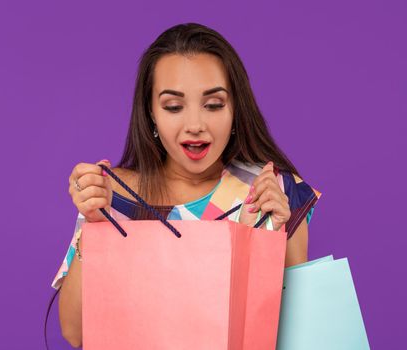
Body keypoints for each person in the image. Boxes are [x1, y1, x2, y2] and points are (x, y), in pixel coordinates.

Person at [50, 22, 322, 348]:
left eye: (214, 104)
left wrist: (279, 239)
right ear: (150, 113)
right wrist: (94, 225)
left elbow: (302, 335)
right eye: (174, 107)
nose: (195, 125)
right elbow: (74, 331)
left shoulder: (271, 190)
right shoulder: (113, 195)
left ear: (236, 109)